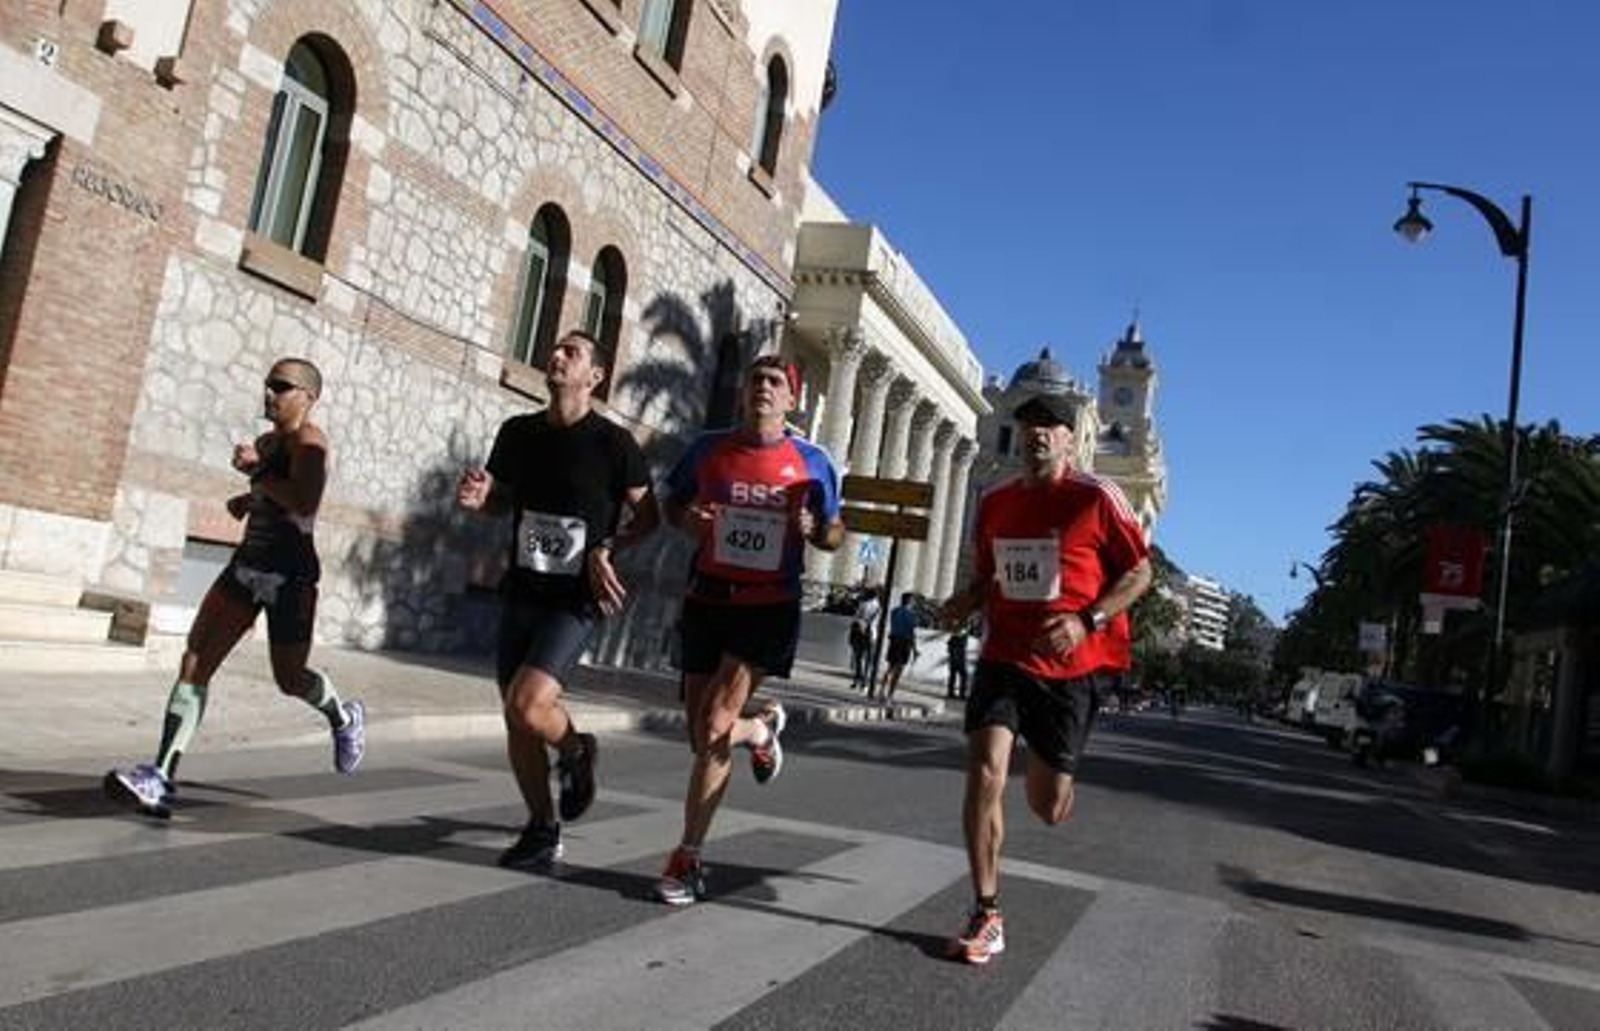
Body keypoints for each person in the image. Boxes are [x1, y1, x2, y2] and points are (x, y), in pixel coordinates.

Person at [938, 393, 1152, 965]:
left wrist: (1087, 620)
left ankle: (1057, 771)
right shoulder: (997, 502)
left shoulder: (1098, 497)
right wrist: (963, 602)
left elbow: (1140, 573)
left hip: (1074, 668)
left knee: (1047, 805)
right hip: (1004, 655)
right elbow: (990, 578)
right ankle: (987, 911)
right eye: (1028, 424)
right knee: (985, 772)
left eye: (1050, 427)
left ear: (1069, 437)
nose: (1036, 434)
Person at [105, 358, 365, 816]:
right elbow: (275, 494)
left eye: (282, 387)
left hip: (291, 577)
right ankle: (161, 778)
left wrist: (256, 474)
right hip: (245, 568)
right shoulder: (267, 442)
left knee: (289, 679)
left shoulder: (310, 442)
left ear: (308, 397)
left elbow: (305, 502)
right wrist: (250, 499)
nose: (269, 393)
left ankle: (343, 717)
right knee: (195, 660)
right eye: (268, 384)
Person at [456, 330, 659, 870]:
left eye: (572, 352)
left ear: (594, 377)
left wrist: (608, 547)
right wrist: (482, 501)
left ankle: (574, 749)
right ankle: (543, 829)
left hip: (575, 600)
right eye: (557, 348)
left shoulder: (614, 445)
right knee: (516, 717)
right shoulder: (517, 433)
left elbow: (651, 516)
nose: (557, 355)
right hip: (523, 588)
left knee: (528, 703)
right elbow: (502, 501)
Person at [654, 354, 844, 906]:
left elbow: (835, 530)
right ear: (744, 393)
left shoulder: (812, 461)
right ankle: (760, 731)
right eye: (757, 379)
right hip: (706, 597)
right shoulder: (708, 448)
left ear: (792, 399)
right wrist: (687, 520)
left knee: (715, 723)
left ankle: (688, 856)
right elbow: (673, 503)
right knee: (699, 735)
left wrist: (815, 529)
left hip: (768, 605)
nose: (764, 388)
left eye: (776, 382)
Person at [878, 591, 919, 705]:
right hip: (904, 643)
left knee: (890, 667)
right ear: (910, 601)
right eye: (913, 600)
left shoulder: (894, 611)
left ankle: (881, 691)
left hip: (894, 640)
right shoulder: (911, 615)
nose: (914, 603)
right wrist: (915, 649)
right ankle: (890, 696)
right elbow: (911, 633)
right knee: (898, 671)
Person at [848, 586, 881, 689]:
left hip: (861, 632)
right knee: (868, 659)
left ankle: (858, 679)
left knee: (858, 657)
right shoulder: (879, 606)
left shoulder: (863, 604)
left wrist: (861, 625)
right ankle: (864, 681)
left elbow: (856, 618)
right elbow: (877, 621)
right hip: (871, 634)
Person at [946, 624, 971, 700]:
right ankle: (961, 694)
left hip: (955, 656)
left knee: (953, 675)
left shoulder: (959, 632)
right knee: (963, 675)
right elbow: (954, 643)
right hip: (959, 657)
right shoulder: (962, 632)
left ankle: (951, 692)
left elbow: (950, 644)